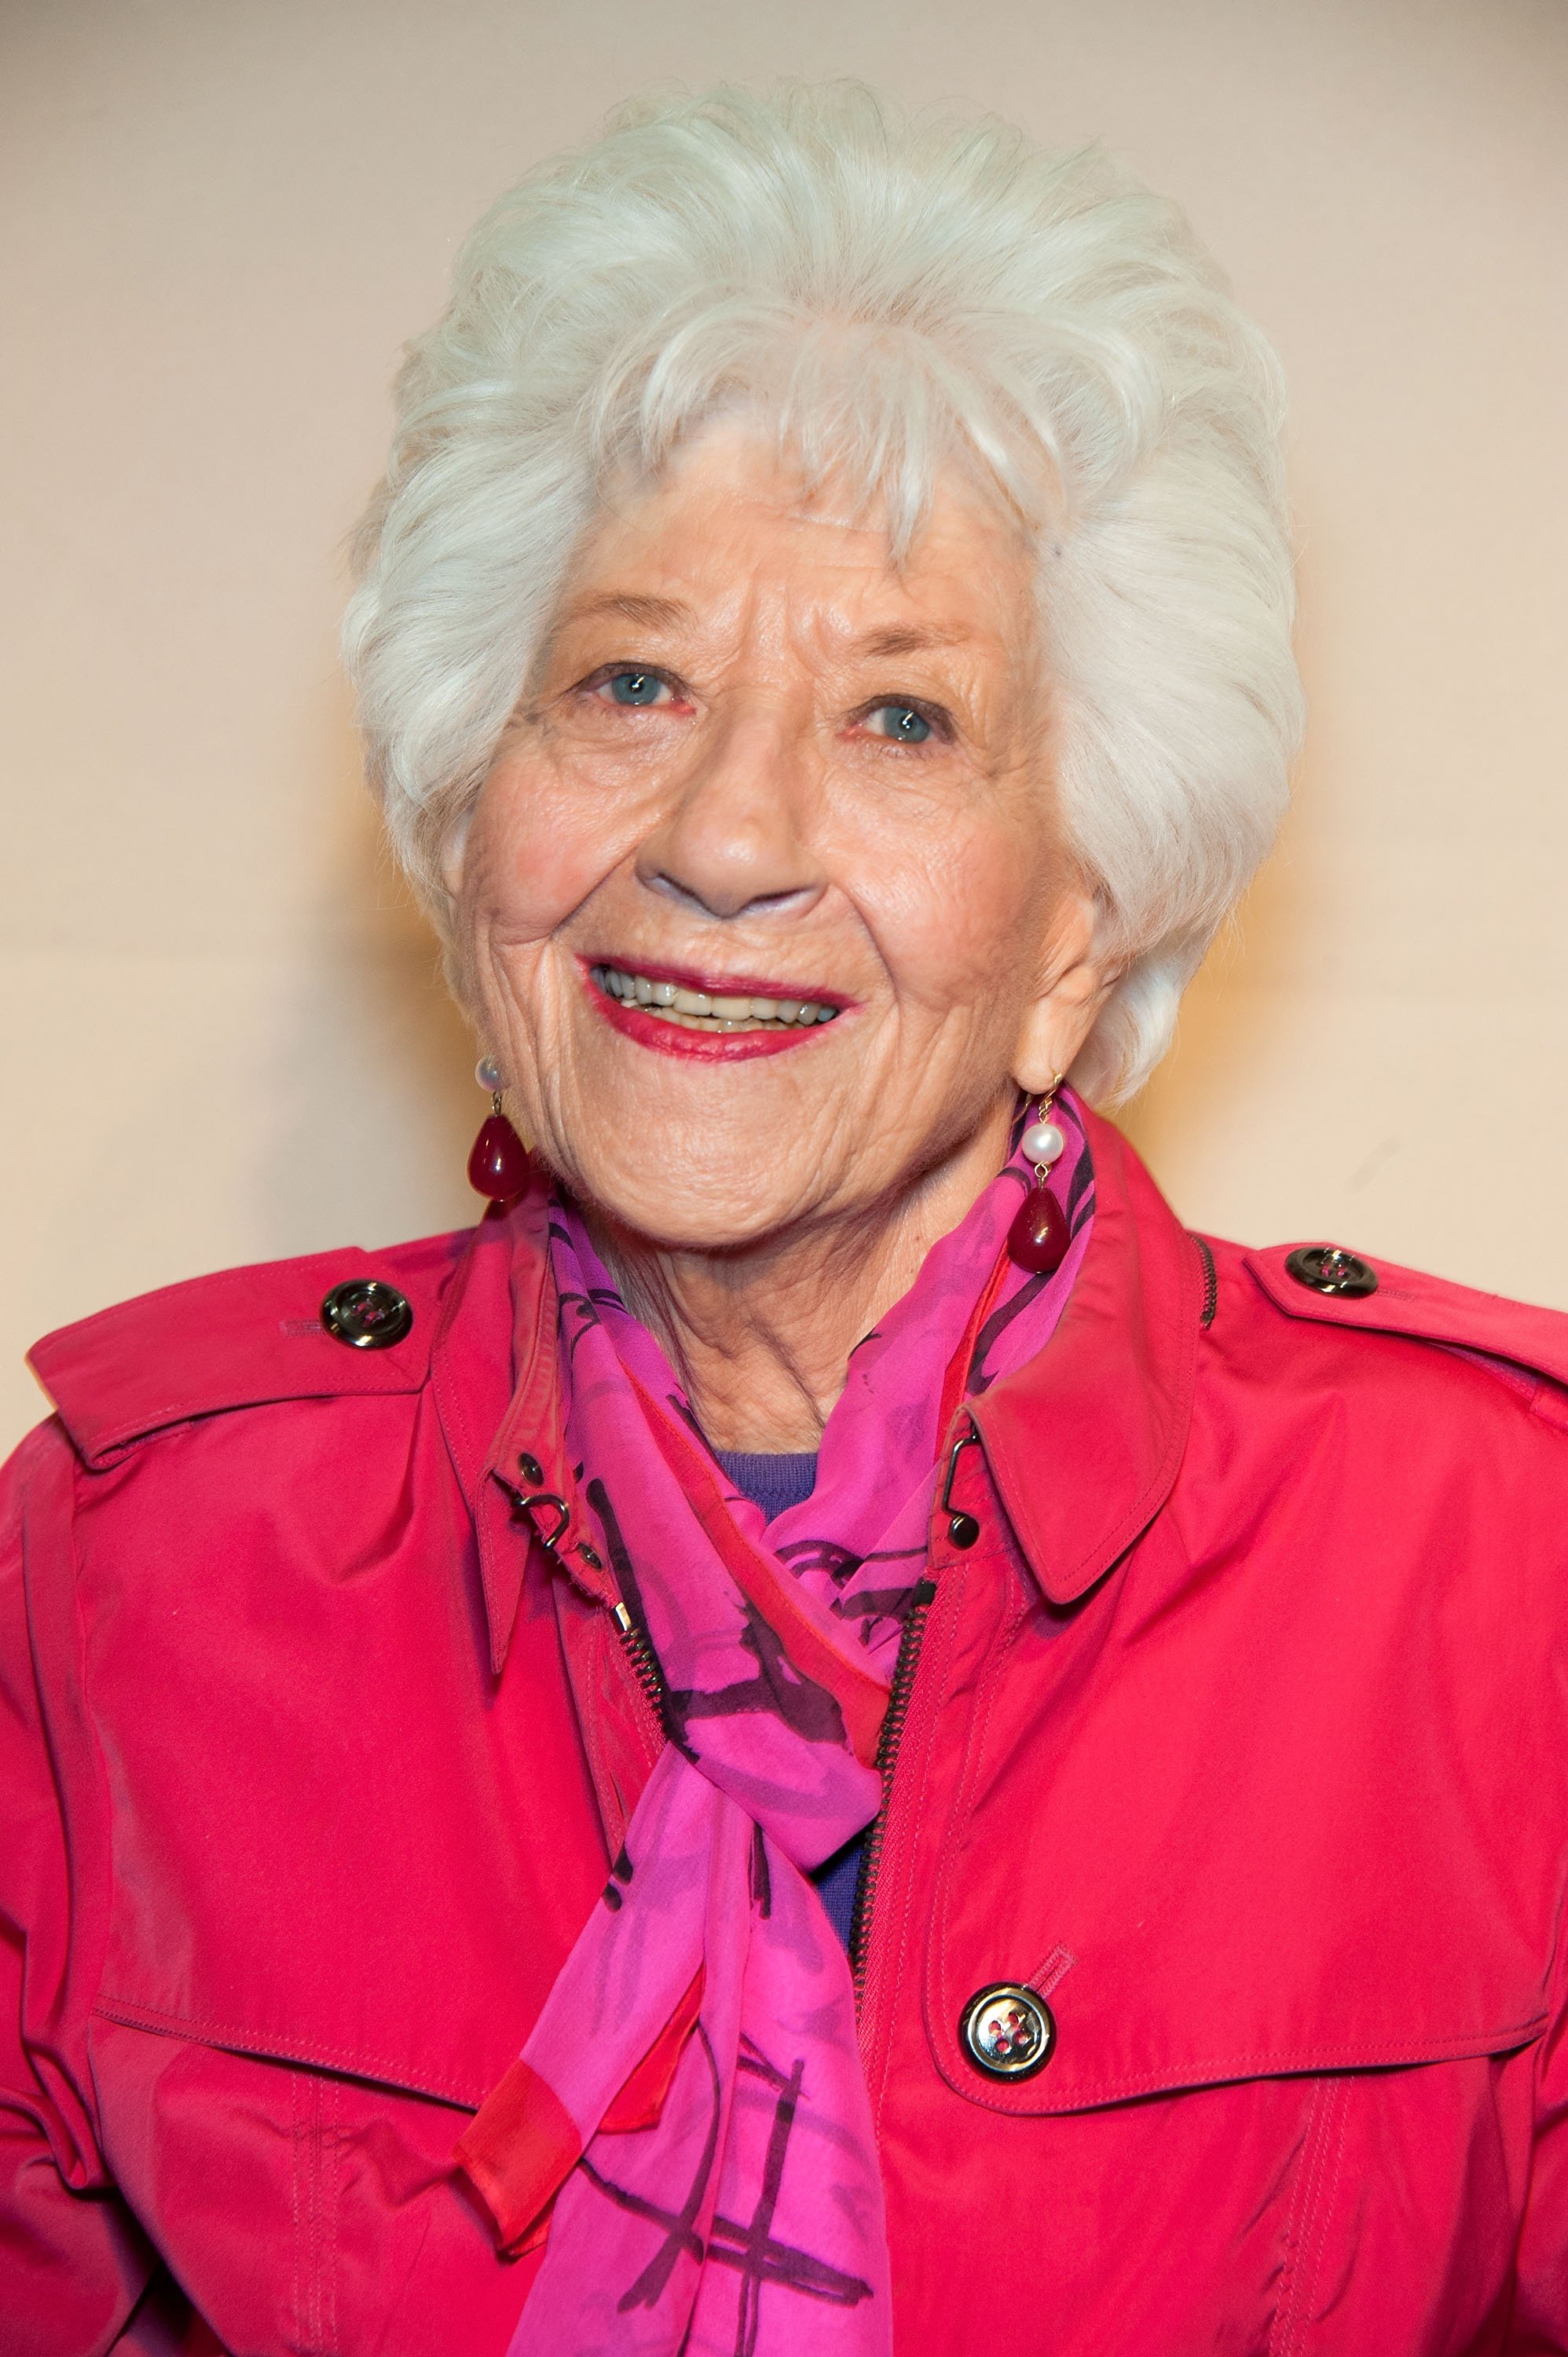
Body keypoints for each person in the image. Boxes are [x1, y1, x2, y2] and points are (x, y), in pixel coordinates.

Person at [3, 79, 1566, 2357]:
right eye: (630, 680)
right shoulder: (134, 1550)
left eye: (902, 717)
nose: (726, 833)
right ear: (468, 822)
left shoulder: (1493, 1554)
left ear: (1078, 925)